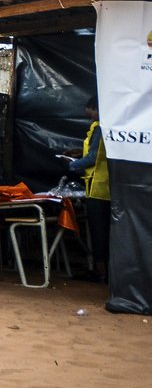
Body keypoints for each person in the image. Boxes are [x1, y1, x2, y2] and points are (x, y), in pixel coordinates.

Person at [66, 95, 109, 283]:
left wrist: (72, 164)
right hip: (109, 186)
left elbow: (93, 158)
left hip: (98, 188)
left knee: (98, 231)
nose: (89, 116)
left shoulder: (100, 128)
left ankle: (101, 272)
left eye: (90, 112)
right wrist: (79, 153)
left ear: (96, 108)